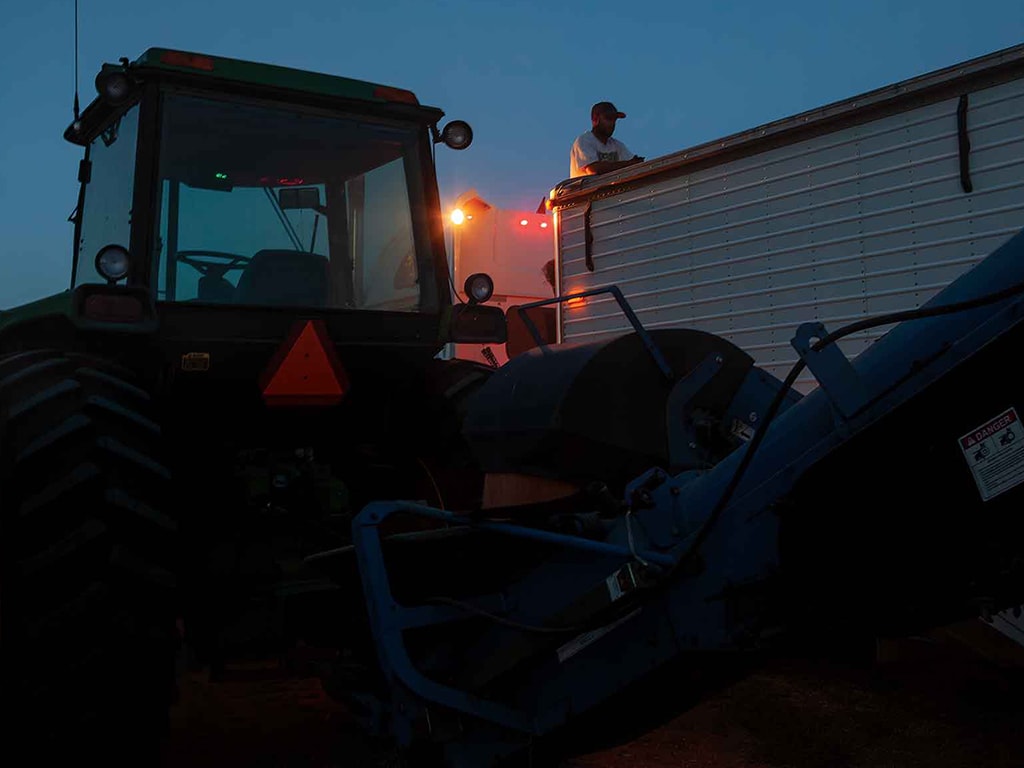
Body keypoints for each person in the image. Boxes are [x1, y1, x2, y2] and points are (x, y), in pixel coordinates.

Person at [569, 101, 645, 178]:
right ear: (595, 119)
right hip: (590, 189)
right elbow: (593, 169)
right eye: (608, 118)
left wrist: (634, 163)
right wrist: (628, 164)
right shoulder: (584, 140)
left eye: (614, 120)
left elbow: (636, 166)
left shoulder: (617, 145)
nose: (612, 123)